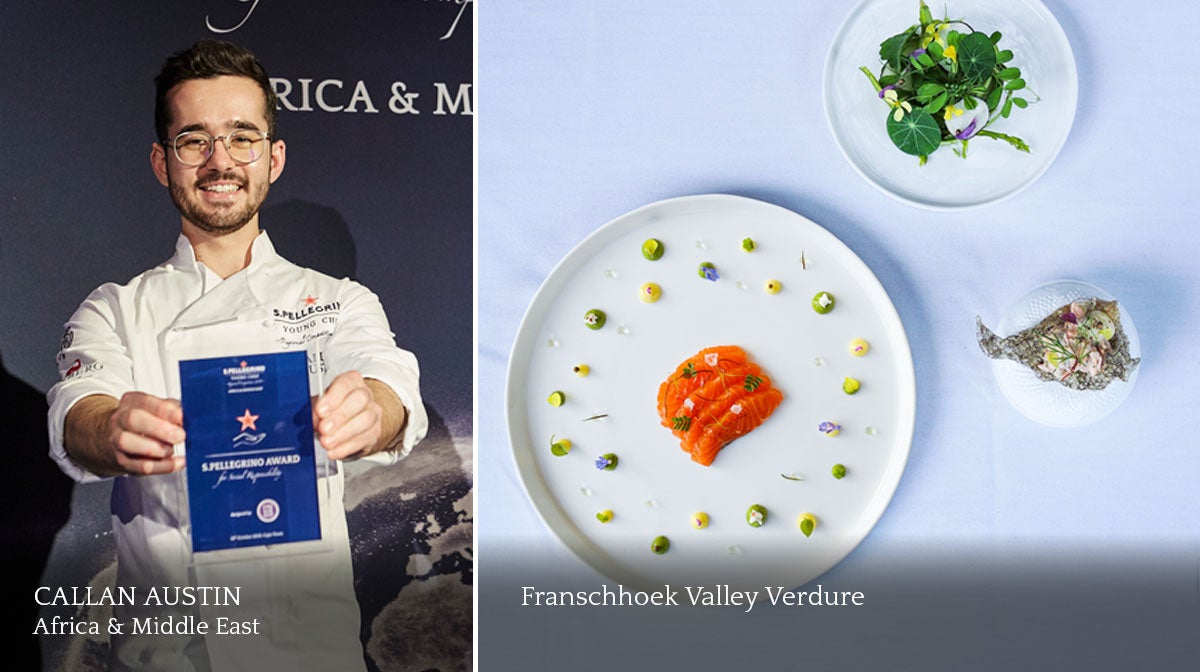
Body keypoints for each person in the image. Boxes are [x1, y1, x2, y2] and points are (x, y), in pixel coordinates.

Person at [46, 40, 427, 671]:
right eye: (193, 140)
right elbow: (77, 410)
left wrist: (373, 412)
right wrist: (111, 427)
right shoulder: (114, 308)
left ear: (273, 158)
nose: (219, 161)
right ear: (160, 162)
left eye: (242, 137)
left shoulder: (339, 300)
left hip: (313, 651)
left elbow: (387, 381)